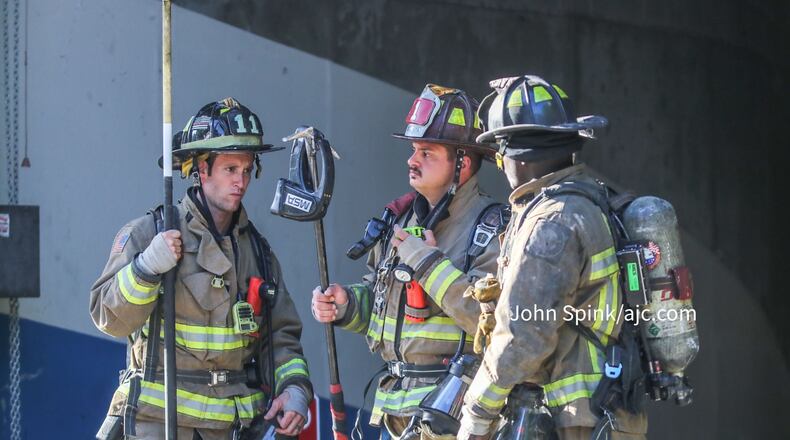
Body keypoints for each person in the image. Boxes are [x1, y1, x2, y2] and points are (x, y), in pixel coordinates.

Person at [90, 98, 312, 440]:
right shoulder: (150, 234)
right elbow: (109, 318)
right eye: (230, 169)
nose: (241, 181)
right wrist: (146, 269)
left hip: (229, 429)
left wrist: (294, 387)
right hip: (158, 425)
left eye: (247, 170)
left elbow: (279, 335)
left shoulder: (258, 252)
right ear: (202, 170)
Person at [457, 75, 648, 440]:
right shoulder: (589, 201)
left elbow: (524, 335)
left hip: (577, 421)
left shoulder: (552, 221)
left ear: (516, 157)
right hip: (607, 415)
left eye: (500, 155)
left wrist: (477, 412)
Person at [311, 84, 505, 439]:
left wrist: (427, 263)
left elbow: (490, 325)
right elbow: (382, 307)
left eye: (426, 152)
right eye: (414, 149)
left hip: (454, 417)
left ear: (462, 163)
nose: (411, 160)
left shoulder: (493, 230)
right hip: (395, 414)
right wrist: (347, 304)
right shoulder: (400, 222)